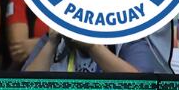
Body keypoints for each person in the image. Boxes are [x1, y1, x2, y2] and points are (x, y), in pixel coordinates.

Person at [23, 29, 157, 73]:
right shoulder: (52, 39)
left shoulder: (127, 39)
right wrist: (52, 43)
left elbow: (142, 88)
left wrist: (93, 47)